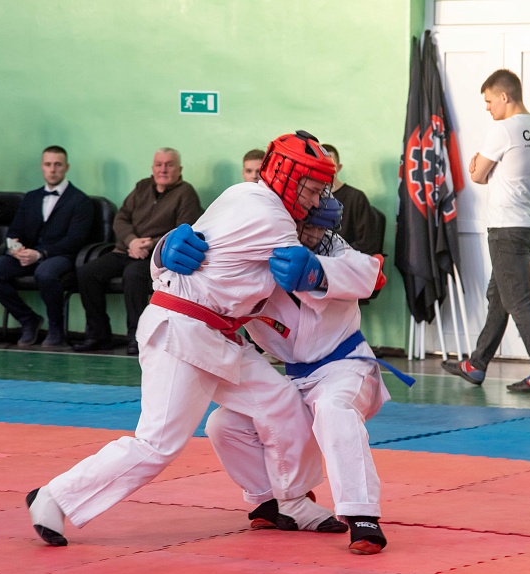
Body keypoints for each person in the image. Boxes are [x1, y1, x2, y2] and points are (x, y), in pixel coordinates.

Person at [26, 131, 345, 547]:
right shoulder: (272, 218)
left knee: (281, 402)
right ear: (287, 177)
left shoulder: (242, 193)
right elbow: (300, 278)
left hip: (216, 334)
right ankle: (55, 497)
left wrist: (161, 253)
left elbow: (201, 249)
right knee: (158, 444)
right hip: (184, 332)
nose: (318, 199)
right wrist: (353, 269)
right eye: (313, 188)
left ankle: (287, 501)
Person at [168, 197, 391, 554]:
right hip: (292, 379)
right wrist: (162, 252)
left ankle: (363, 516)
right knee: (223, 424)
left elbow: (370, 274)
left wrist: (318, 272)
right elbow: (204, 271)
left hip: (345, 367)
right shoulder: (254, 255)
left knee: (333, 409)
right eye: (307, 225)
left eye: (320, 227)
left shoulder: (334, 252)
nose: (314, 234)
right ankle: (270, 501)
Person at [442, 69, 530, 393]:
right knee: (499, 296)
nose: (487, 108)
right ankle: (477, 364)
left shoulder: (503, 130)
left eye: (490, 101)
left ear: (504, 97)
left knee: (518, 300)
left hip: (507, 228)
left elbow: (478, 175)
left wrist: (479, 164)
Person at [72, 148, 201, 355]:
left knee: (133, 275)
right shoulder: (142, 186)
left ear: (179, 169)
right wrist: (132, 241)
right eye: (159, 164)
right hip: (126, 249)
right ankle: (98, 335)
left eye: (169, 165)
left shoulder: (186, 193)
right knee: (88, 273)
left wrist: (151, 244)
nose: (163, 169)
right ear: (153, 167)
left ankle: (137, 337)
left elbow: (184, 230)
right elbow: (121, 218)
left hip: (157, 257)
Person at [0, 146, 93, 348]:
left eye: (58, 165)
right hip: (28, 254)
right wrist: (15, 248)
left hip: (61, 256)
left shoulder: (80, 200)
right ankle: (28, 319)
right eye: (48, 164)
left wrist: (41, 254)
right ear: (42, 167)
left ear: (66, 167)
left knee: (45, 273)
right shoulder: (31, 197)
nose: (53, 169)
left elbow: (76, 240)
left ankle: (56, 327)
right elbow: (14, 230)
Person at [322, 144, 378, 256]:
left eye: (330, 165)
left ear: (339, 167)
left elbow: (366, 243)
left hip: (346, 259)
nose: (325, 170)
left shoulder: (356, 198)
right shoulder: (309, 198)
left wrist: (336, 254)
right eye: (322, 165)